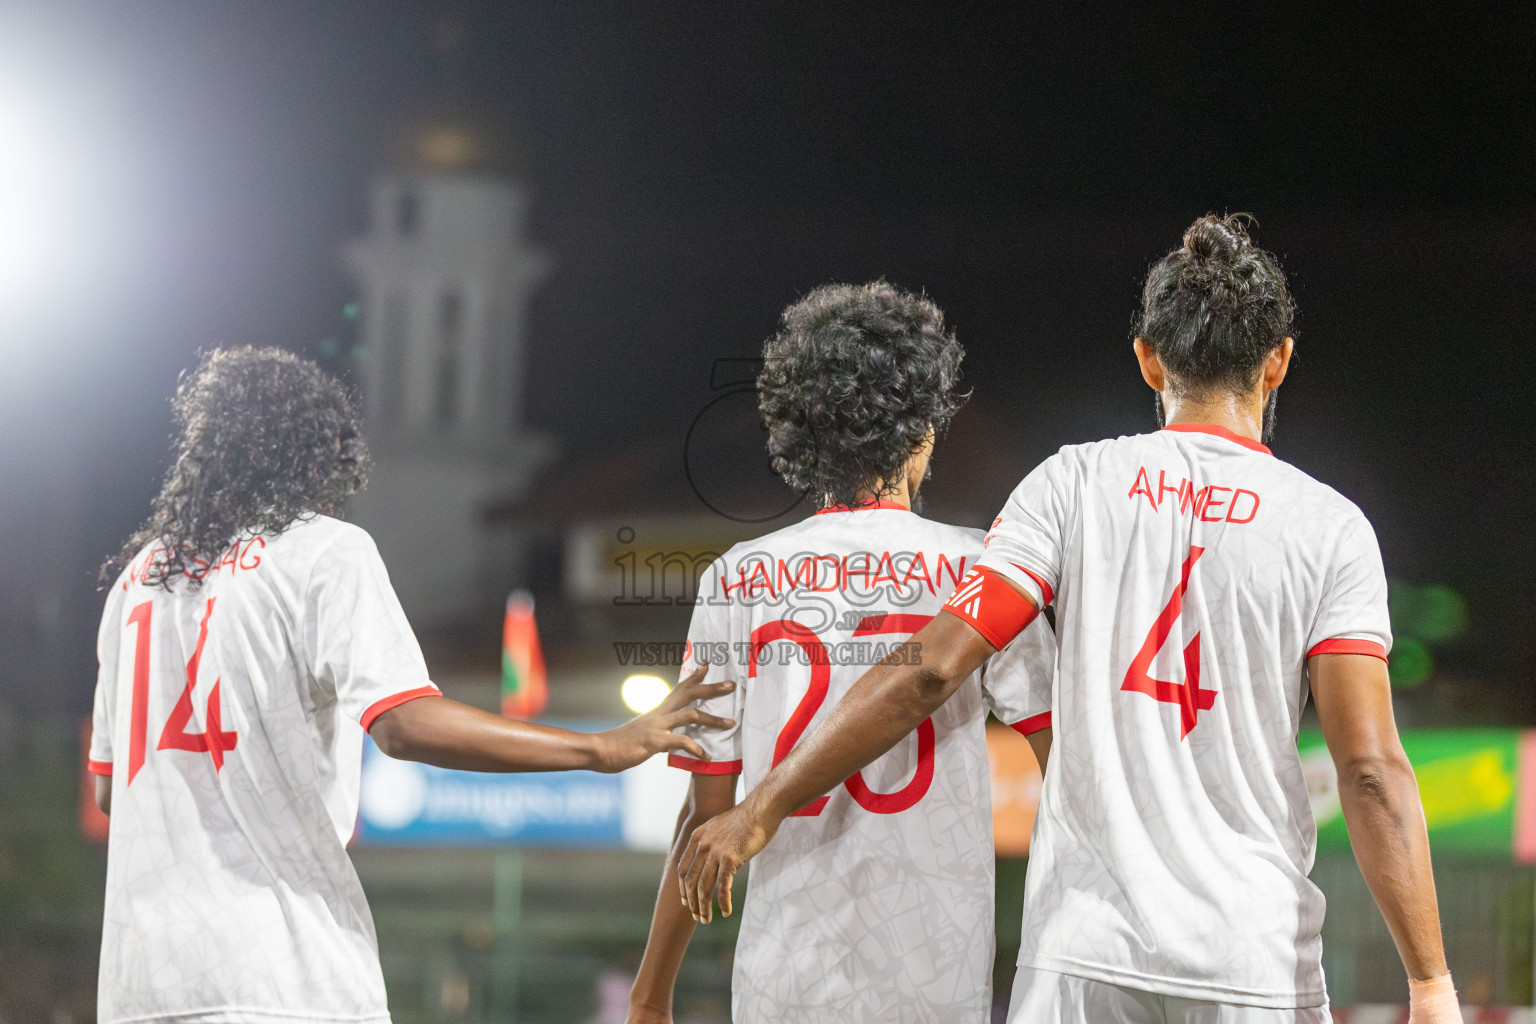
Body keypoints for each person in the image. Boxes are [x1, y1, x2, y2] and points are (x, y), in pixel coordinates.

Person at [679, 218, 1462, 1024]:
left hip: (1081, 958)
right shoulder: (1328, 528)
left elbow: (932, 667)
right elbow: (1368, 769)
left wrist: (762, 806)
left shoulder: (1071, 485)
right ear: (1279, 361)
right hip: (1253, 960)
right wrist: (1430, 982)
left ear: (1148, 359)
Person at [88, 347, 733, 1024]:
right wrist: (598, 748)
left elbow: (111, 789)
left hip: (140, 985)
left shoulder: (139, 582)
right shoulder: (322, 550)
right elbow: (401, 722)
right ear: (315, 457)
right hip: (279, 974)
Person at [625, 282, 1056, 1024]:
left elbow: (708, 811)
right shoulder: (980, 572)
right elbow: (1066, 766)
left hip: (782, 979)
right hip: (935, 975)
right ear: (924, 431)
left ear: (801, 434)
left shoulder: (739, 576)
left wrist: (650, 992)